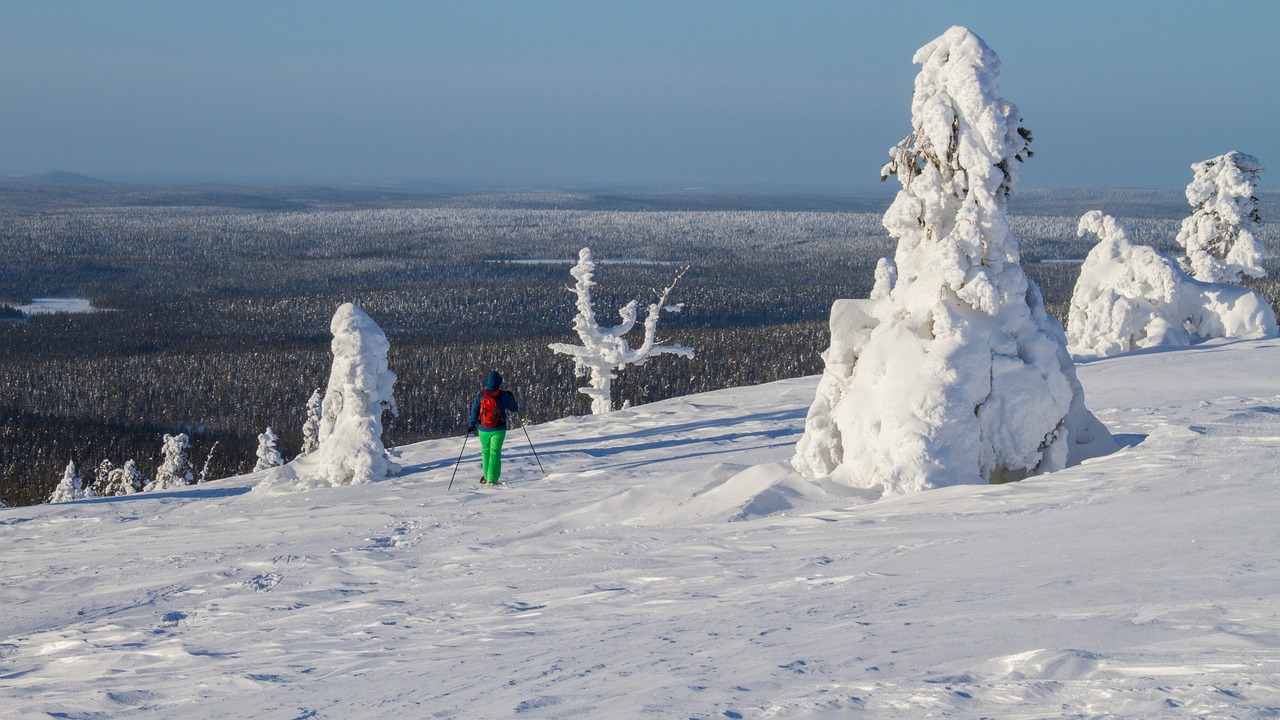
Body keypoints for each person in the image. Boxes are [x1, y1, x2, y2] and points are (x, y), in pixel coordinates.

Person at [468, 370, 520, 485]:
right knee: (495, 452)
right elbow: (515, 408)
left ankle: (486, 477)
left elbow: (474, 411)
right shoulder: (503, 395)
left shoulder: (481, 395)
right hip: (498, 429)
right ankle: (492, 479)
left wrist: (471, 426)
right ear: (499, 382)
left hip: (483, 428)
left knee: (485, 451)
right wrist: (511, 397)